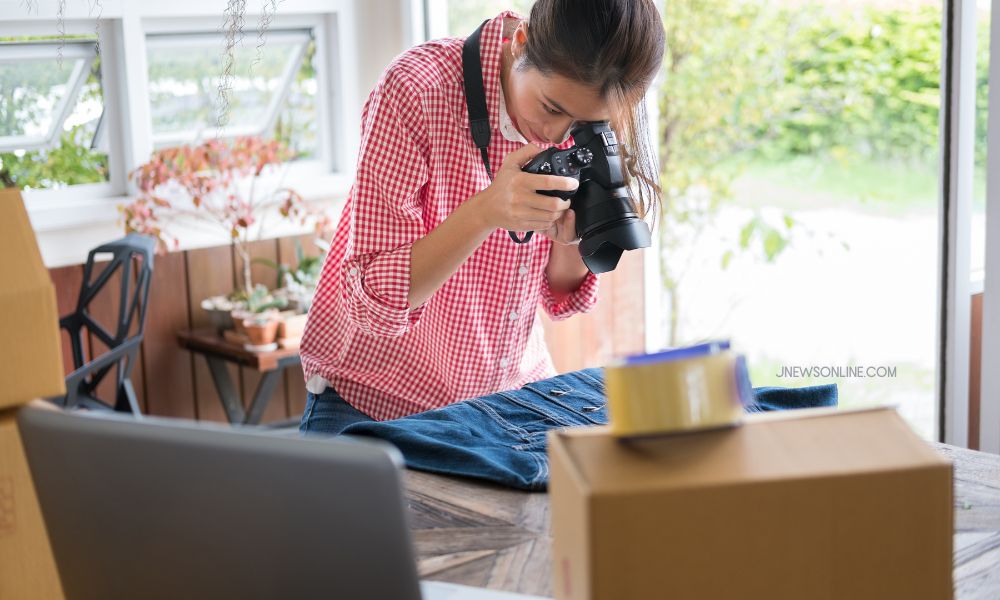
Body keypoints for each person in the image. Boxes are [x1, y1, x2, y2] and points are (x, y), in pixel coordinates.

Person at [299, 0, 665, 434]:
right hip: (377, 399)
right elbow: (372, 303)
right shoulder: (418, 90)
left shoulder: (590, 112)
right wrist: (486, 211)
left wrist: (567, 240)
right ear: (520, 42)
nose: (557, 135)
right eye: (552, 109)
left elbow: (560, 298)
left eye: (582, 124)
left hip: (508, 396)